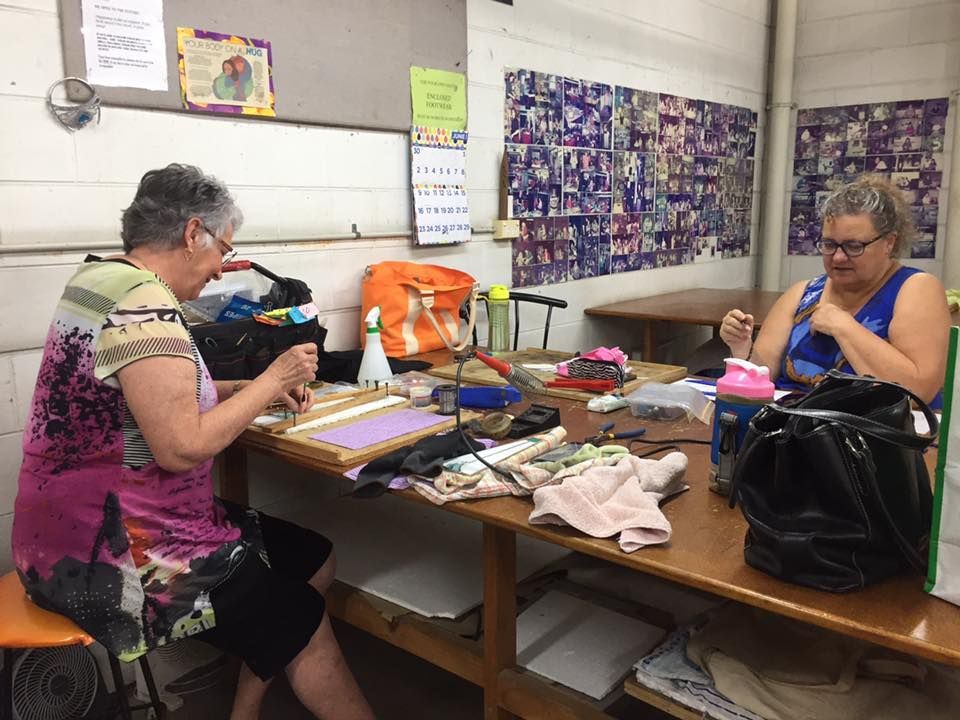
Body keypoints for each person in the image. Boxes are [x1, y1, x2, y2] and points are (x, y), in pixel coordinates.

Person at [11, 164, 374, 720]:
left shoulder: (101, 280)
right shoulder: (145, 308)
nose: (220, 267)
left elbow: (164, 394)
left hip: (68, 532)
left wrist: (251, 389)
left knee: (313, 560)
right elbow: (179, 447)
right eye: (223, 249)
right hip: (113, 555)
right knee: (300, 614)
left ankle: (243, 710)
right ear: (191, 234)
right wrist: (274, 379)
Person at [720, 175, 949, 403]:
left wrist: (843, 326)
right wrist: (741, 348)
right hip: (792, 426)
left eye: (854, 246)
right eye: (829, 244)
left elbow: (919, 392)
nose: (838, 257)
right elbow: (761, 375)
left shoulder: (916, 289)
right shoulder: (803, 293)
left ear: (889, 242)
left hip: (869, 430)